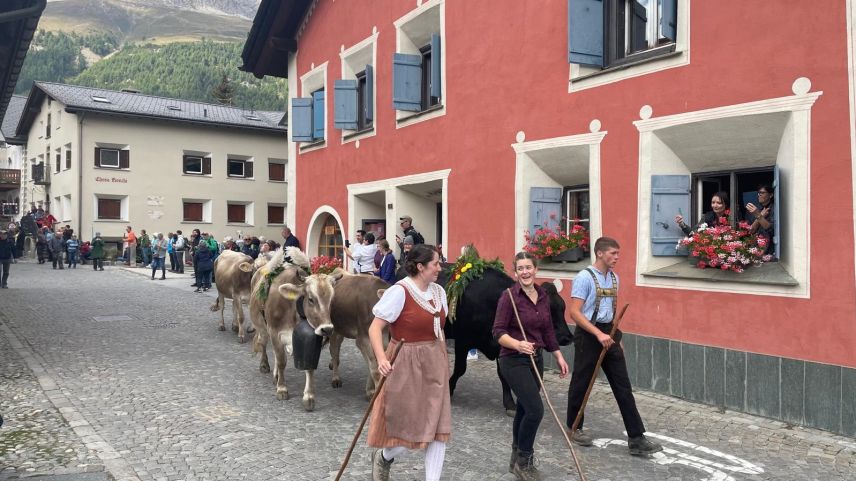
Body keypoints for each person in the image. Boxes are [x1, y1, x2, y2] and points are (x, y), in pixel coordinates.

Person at [565, 237, 662, 456]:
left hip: (609, 335)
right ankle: (574, 427)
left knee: (622, 385)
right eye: (613, 253)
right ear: (600, 253)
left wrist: (618, 340)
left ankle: (636, 438)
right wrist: (597, 333)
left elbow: (611, 315)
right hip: (589, 335)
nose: (617, 257)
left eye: (618, 253)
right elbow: (574, 312)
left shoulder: (615, 278)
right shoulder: (584, 277)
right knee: (581, 382)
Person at [367, 244, 451, 481]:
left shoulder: (439, 292)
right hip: (405, 363)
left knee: (438, 428)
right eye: (435, 263)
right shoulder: (399, 292)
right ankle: (384, 456)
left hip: (434, 362)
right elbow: (375, 328)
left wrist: (442, 359)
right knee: (410, 429)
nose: (439, 268)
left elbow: (440, 330)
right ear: (420, 266)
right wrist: (382, 358)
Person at [493, 252, 569, 480]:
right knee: (536, 410)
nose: (525, 272)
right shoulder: (508, 297)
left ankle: (516, 457)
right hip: (512, 360)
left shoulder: (543, 296)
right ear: (515, 272)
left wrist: (558, 356)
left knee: (525, 408)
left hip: (535, 360)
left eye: (529, 267)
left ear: (535, 269)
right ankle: (525, 460)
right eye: (520, 269)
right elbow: (497, 332)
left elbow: (547, 329)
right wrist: (518, 344)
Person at [747, 183, 776, 258]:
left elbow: (771, 230)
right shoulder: (754, 208)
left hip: (770, 249)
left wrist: (758, 215)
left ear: (771, 195)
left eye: (762, 193)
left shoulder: (775, 208)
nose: (759, 195)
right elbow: (751, 231)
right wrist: (760, 215)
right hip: (754, 246)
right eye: (758, 193)